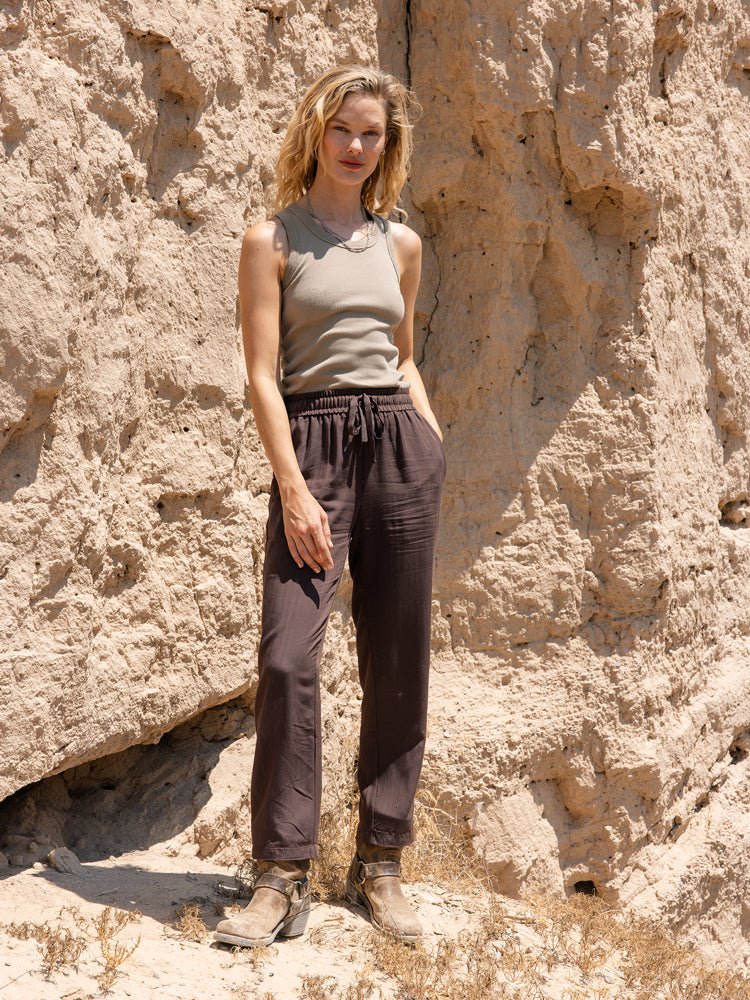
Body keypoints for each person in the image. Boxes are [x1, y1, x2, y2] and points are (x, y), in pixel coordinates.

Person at [214, 64, 446, 949]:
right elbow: (262, 378)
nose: (356, 146)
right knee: (286, 656)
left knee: (398, 656)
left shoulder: (402, 246)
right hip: (312, 447)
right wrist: (294, 488)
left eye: (373, 134)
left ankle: (381, 863)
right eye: (344, 129)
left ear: (388, 146)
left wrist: (429, 438)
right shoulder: (272, 238)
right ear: (317, 130)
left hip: (397, 445)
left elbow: (403, 353)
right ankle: (279, 874)